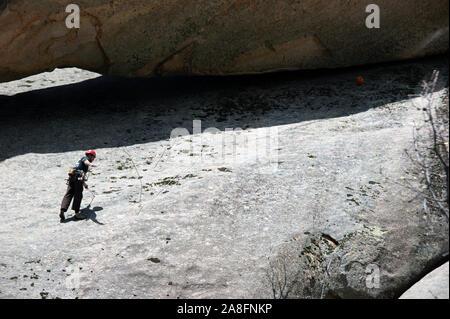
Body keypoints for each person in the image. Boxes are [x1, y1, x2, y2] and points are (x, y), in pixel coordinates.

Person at [60, 150, 97, 222]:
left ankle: (62, 210)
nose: (93, 159)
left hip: (72, 177)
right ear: (91, 156)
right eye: (93, 158)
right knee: (78, 195)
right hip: (78, 178)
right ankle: (77, 214)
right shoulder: (84, 159)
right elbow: (86, 162)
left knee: (69, 194)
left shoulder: (80, 161)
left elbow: (81, 175)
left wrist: (84, 184)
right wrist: (90, 164)